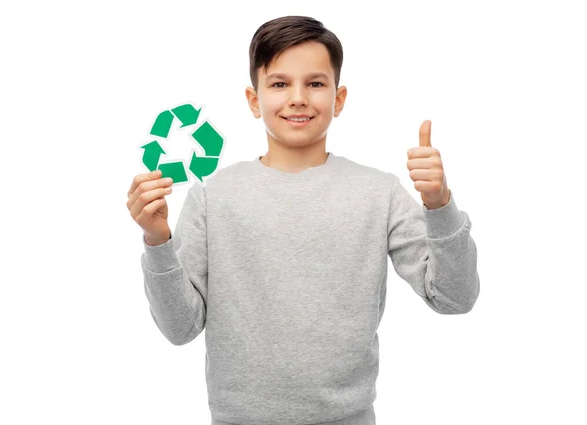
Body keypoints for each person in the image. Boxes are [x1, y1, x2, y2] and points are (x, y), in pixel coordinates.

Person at [126, 15, 480, 425]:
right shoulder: (212, 196)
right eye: (279, 84)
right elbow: (180, 328)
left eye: (315, 83)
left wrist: (439, 205)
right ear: (254, 99)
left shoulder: (378, 193)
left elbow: (455, 297)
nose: (297, 98)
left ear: (339, 97)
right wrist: (157, 241)